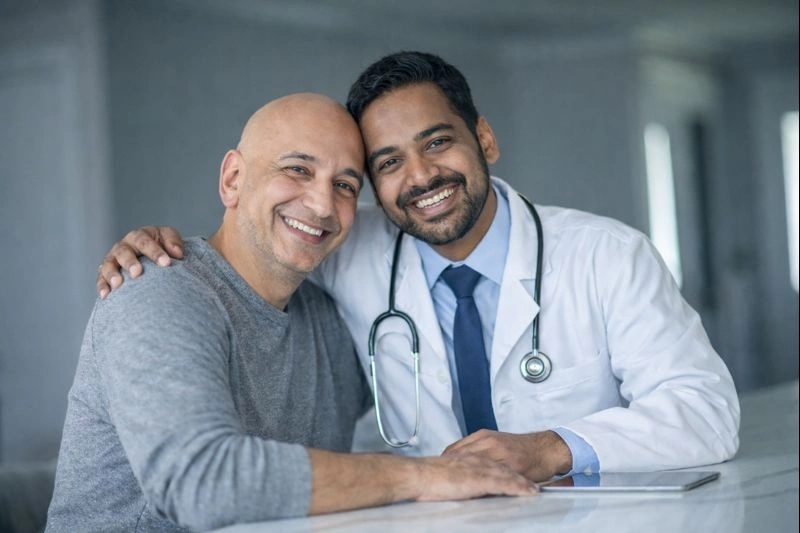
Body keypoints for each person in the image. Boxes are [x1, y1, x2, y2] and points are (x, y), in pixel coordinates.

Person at [96, 52, 740, 482]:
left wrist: (547, 447)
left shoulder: (607, 256)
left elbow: (707, 413)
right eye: (387, 163)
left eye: (438, 142)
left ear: (482, 139)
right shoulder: (346, 247)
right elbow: (264, 240)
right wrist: (165, 246)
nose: (422, 177)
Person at [47, 93, 536, 533]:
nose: (322, 204)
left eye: (345, 185)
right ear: (233, 179)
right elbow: (203, 483)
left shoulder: (327, 317)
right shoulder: (157, 292)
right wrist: (425, 475)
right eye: (297, 170)